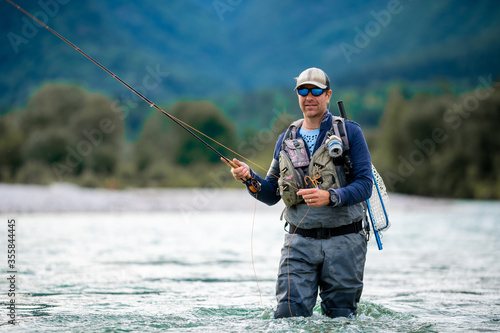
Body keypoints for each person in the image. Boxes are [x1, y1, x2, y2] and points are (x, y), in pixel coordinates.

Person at [228, 67, 373, 318]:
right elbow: (271, 194)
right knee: (287, 316)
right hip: (298, 242)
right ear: (297, 95)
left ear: (328, 95)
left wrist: (331, 197)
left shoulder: (350, 133)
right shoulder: (286, 138)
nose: (309, 96)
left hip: (345, 242)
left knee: (340, 318)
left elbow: (365, 184)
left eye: (316, 90)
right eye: (303, 91)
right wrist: (249, 178)